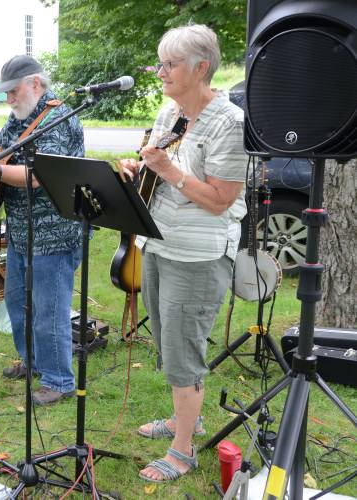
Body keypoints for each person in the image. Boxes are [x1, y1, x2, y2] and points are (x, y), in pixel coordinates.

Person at [119, 25, 247, 482]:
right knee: (170, 342)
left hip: (198, 255)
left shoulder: (230, 123)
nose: (160, 72)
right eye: (160, 62)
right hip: (157, 242)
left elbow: (220, 200)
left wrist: (168, 169)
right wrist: (138, 166)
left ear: (201, 68)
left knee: (183, 348)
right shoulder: (169, 111)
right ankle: (182, 419)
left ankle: (183, 449)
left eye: (169, 64)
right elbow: (152, 161)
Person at [0, 55, 84, 406]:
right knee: (17, 300)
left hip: (55, 232)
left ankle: (59, 380)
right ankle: (34, 362)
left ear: (35, 84)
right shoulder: (18, 118)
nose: (9, 99)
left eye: (13, 91)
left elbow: (40, 175)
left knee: (49, 308)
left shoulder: (59, 119)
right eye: (5, 93)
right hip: (21, 231)